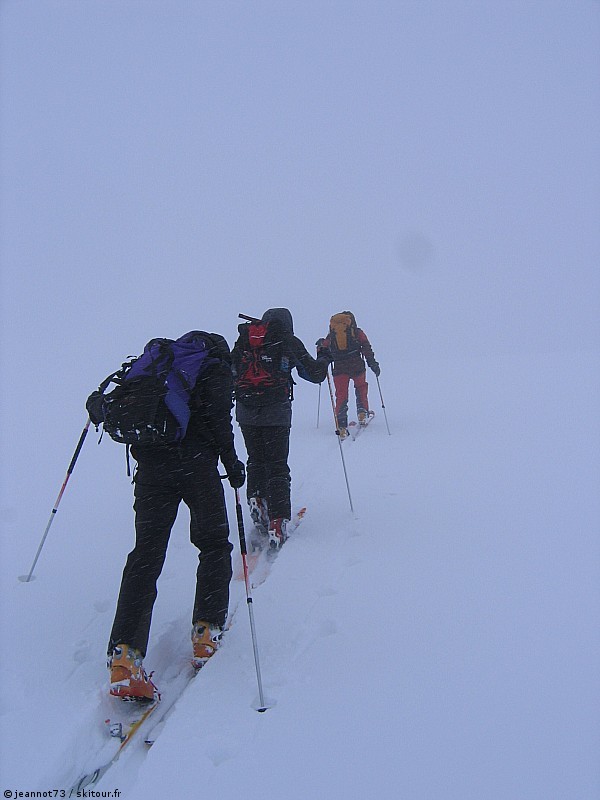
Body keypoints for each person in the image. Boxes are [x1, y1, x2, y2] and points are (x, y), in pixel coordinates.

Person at [88, 332, 245, 701]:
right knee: (212, 545)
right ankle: (206, 632)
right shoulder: (214, 368)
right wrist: (232, 463)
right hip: (196, 469)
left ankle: (124, 657)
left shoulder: (158, 365)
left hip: (152, 468)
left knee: (146, 554)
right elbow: (219, 420)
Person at [231, 308, 331, 550]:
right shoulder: (287, 341)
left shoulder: (245, 340)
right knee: (277, 465)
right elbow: (315, 374)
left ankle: (256, 498)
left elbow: (231, 372)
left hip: (246, 411)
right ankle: (277, 520)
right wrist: (324, 356)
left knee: (255, 459)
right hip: (276, 412)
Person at [319, 311, 380, 438]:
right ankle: (362, 412)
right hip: (356, 365)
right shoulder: (357, 332)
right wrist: (372, 364)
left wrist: (320, 347)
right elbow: (366, 348)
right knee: (361, 388)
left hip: (339, 369)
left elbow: (324, 349)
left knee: (341, 395)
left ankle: (341, 425)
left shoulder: (332, 335)